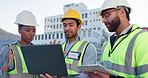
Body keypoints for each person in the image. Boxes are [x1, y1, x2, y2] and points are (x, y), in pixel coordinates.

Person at [84, 0, 148, 78]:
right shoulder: (107, 44)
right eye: (103, 17)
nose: (103, 21)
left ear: (122, 12)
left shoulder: (143, 39)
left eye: (107, 15)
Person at [40, 9, 97, 78]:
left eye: (71, 25)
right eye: (64, 25)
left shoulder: (88, 47)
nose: (67, 28)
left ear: (79, 27)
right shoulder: (60, 46)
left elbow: (88, 75)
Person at [0, 10, 39, 78]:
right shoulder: (8, 50)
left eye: (34, 31)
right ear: (19, 30)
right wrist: (6, 66)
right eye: (27, 30)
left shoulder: (38, 51)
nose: (32, 34)